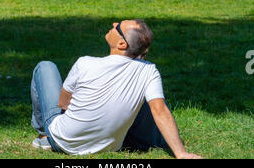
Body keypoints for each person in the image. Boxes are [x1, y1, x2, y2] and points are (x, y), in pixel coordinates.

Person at [30, 19, 203, 159]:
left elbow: (62, 102)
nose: (113, 24)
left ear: (121, 44)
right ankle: (151, 140)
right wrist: (181, 154)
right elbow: (159, 110)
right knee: (150, 101)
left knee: (45, 67)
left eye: (118, 26)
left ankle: (45, 135)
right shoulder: (149, 71)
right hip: (109, 146)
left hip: (63, 141)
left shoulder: (85, 63)